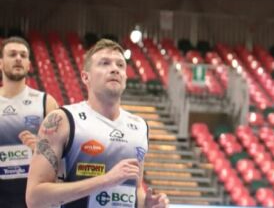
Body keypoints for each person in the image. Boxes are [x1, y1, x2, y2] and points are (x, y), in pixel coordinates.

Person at [25, 38, 168, 208]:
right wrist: (106, 180)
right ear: (86, 77)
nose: (114, 69)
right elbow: (34, 198)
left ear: (125, 77)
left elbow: (134, 189)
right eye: (105, 63)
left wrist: (147, 203)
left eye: (120, 65)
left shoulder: (139, 127)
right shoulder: (63, 120)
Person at [1, 36, 58, 208]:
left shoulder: (46, 102)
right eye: (12, 54)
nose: (18, 58)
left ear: (29, 64)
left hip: (33, 195)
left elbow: (62, 156)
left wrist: (41, 148)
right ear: (1, 63)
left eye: (23, 55)